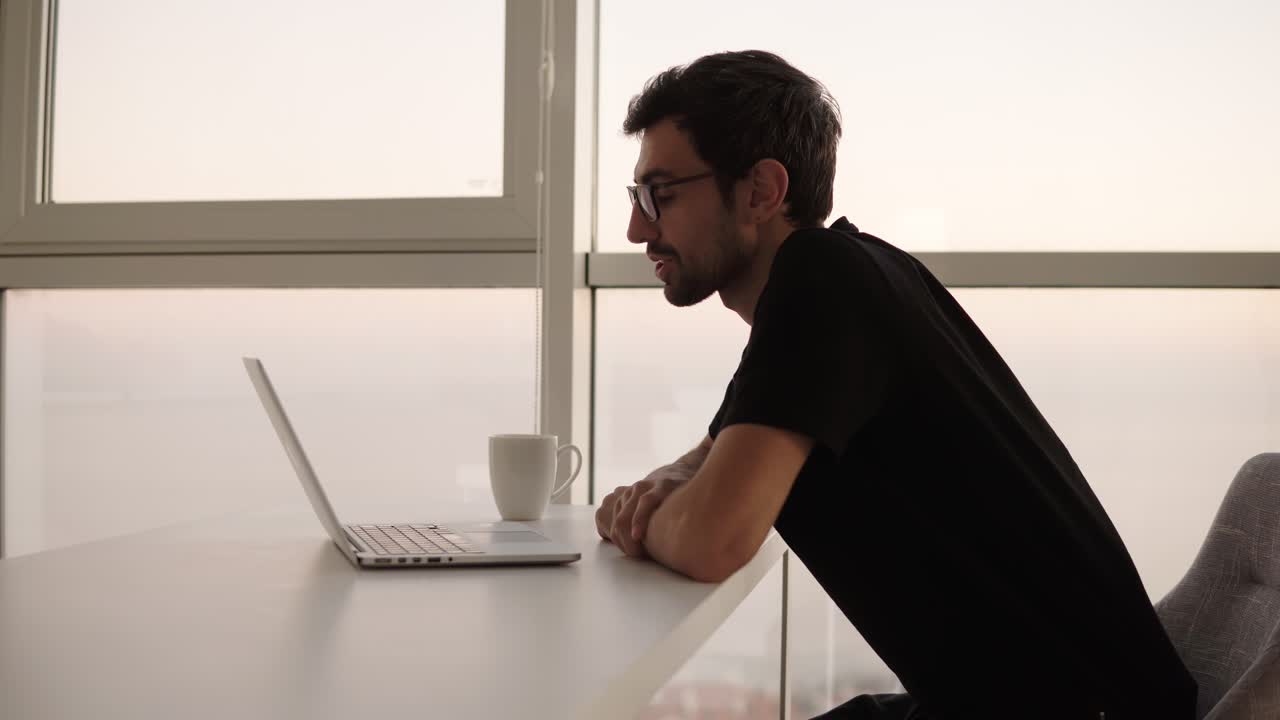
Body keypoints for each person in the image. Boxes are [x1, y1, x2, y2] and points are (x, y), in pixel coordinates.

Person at [593, 50, 1196, 719]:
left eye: (660, 195)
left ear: (761, 191)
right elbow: (725, 440)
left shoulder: (821, 284)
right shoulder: (859, 268)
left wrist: (645, 520)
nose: (636, 228)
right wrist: (673, 482)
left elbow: (715, 539)